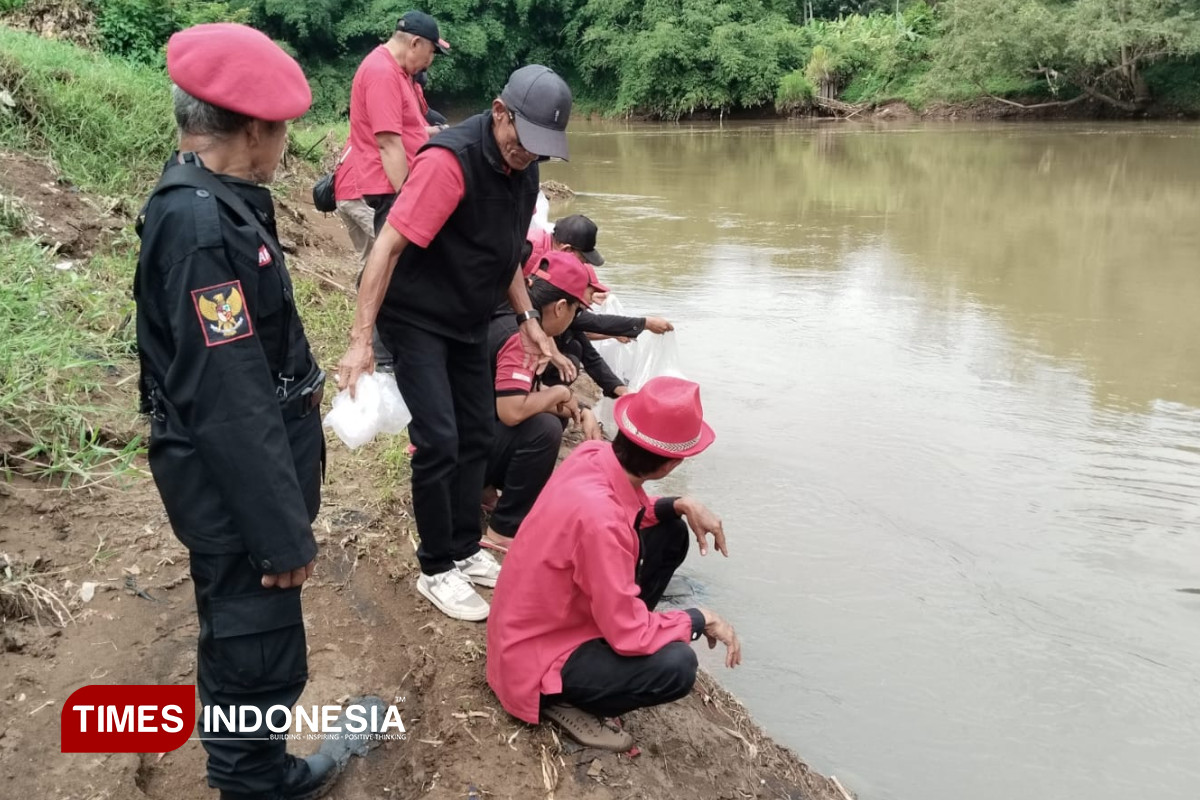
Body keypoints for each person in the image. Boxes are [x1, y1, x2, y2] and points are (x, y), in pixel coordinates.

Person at [134, 23, 342, 800]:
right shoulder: (199, 229)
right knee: (255, 639)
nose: (286, 141)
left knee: (243, 630)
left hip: (237, 486)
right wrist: (281, 533)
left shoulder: (212, 196)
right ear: (251, 128)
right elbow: (229, 396)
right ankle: (253, 781)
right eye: (281, 125)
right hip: (235, 493)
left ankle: (260, 766)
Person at [335, 65, 577, 622]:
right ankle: (436, 565)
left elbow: (505, 253)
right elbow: (387, 247)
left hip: (469, 314)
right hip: (415, 315)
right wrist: (359, 338)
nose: (528, 155)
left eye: (541, 148)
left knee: (475, 433)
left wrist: (527, 320)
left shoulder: (525, 169)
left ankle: (466, 548)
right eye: (524, 140)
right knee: (440, 439)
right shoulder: (450, 163)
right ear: (499, 112)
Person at [486, 377, 742, 751]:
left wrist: (680, 504)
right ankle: (562, 699)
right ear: (669, 464)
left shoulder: (592, 456)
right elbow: (629, 633)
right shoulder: (602, 523)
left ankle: (607, 661)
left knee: (671, 531)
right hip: (535, 663)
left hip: (529, 629)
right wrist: (702, 619)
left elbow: (630, 508)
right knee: (678, 667)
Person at [482, 253, 608, 553]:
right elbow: (512, 412)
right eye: (576, 312)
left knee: (554, 416)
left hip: (457, 431)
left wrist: (578, 408)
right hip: (461, 449)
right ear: (561, 307)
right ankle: (502, 530)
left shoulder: (504, 315)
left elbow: (526, 395)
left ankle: (484, 490)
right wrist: (560, 394)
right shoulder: (522, 338)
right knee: (545, 429)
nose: (574, 320)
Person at [345, 10, 449, 235]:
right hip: (391, 190)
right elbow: (388, 143)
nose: (428, 63)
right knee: (395, 265)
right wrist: (408, 201)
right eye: (431, 52)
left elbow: (408, 130)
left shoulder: (398, 73)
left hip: (397, 187)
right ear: (415, 43)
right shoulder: (382, 72)